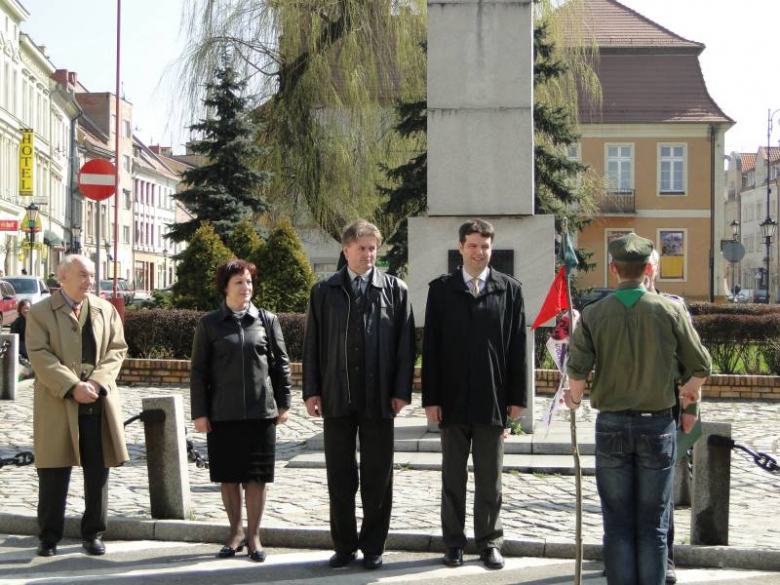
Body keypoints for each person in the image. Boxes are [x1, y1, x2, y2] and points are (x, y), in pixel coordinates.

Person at [565, 233, 711, 585]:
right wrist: (689, 393)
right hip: (657, 425)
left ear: (614, 269)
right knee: (653, 523)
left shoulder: (593, 314)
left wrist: (574, 398)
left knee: (617, 522)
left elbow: (577, 378)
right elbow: (701, 365)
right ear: (648, 269)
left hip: (611, 424)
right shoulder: (669, 310)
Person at [303, 219, 415, 570]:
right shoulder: (324, 291)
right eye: (362, 248)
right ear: (346, 249)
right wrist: (312, 391)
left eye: (373, 248)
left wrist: (400, 391)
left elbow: (405, 347)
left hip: (380, 399)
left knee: (377, 476)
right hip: (337, 397)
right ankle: (344, 545)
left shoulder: (395, 289)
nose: (369, 255)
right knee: (340, 475)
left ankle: (373, 547)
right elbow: (313, 347)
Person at [422, 218, 527, 570]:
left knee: (490, 477)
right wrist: (431, 399)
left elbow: (516, 347)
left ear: (491, 249)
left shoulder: (509, 290)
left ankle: (489, 542)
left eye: (485, 246)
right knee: (453, 476)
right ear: (460, 248)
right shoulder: (441, 290)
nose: (479, 252)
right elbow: (431, 348)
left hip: (492, 398)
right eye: (472, 246)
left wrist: (517, 398)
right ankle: (453, 542)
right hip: (450, 398)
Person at [26, 255, 128, 557]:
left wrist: (96, 383)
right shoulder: (41, 312)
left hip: (98, 401)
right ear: (63, 277)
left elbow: (117, 350)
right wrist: (72, 387)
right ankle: (48, 536)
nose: (89, 281)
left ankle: (93, 532)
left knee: (98, 469)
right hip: (58, 402)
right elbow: (39, 353)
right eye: (83, 275)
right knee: (54, 470)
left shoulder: (104, 310)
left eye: (92, 275)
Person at [190, 259, 292, 562]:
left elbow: (280, 365)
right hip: (224, 413)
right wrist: (200, 412)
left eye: (248, 282)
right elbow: (199, 372)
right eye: (239, 283)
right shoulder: (209, 324)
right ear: (225, 287)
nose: (246, 288)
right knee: (230, 477)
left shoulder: (267, 320)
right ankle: (234, 532)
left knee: (257, 477)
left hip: (261, 413)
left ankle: (254, 536)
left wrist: (283, 403)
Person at [644, 248, 703, 585]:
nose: (647, 270)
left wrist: (690, 409)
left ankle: (665, 561)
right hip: (625, 415)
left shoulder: (674, 306)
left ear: (656, 268)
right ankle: (625, 557)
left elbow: (692, 364)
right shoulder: (614, 307)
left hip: (665, 413)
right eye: (642, 265)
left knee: (661, 497)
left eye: (651, 264)